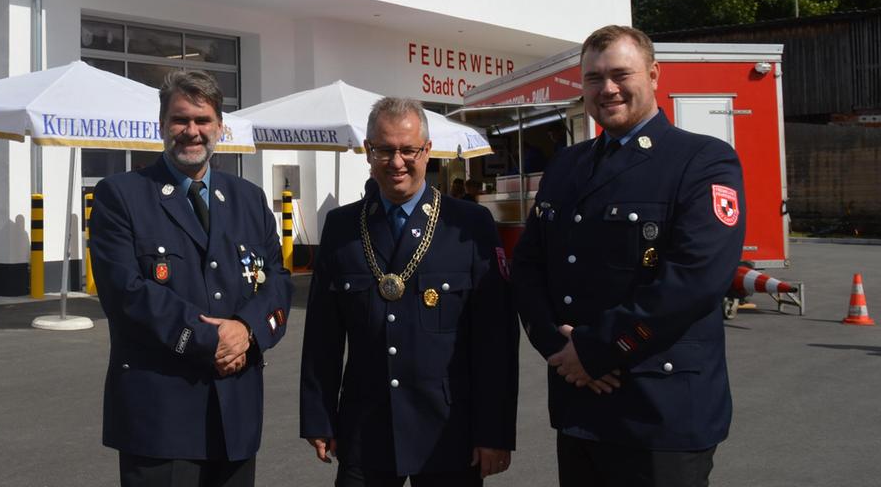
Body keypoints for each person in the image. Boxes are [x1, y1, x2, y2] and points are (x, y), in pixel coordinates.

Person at [510, 25, 747, 487]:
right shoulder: (566, 166)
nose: (608, 88)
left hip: (660, 413)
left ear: (654, 74)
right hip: (580, 403)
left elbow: (695, 281)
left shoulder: (702, 161)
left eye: (621, 74)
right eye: (594, 78)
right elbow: (529, 266)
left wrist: (596, 351)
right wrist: (559, 350)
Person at [90, 70, 293, 487]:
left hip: (235, 414)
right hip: (161, 419)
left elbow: (276, 280)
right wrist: (214, 340)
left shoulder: (248, 199)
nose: (192, 131)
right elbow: (126, 293)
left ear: (220, 127)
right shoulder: (121, 195)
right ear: (162, 125)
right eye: (181, 120)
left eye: (203, 121)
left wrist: (247, 330)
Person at [301, 97, 518, 486]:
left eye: (408, 150)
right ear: (368, 152)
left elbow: (495, 340)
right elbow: (322, 336)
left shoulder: (469, 225)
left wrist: (494, 432)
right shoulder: (341, 227)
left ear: (428, 151)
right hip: (366, 428)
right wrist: (318, 415)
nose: (397, 161)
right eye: (385, 149)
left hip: (449, 430)